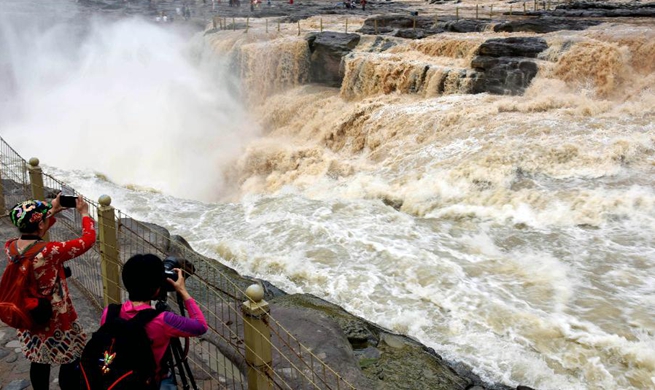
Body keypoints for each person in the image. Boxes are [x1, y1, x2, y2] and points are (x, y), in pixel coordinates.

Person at [5, 195, 96, 390]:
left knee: (39, 359)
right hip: (55, 317)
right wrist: (85, 214)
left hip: (29, 313)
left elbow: (35, 232)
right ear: (40, 225)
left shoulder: (11, 247)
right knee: (69, 357)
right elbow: (88, 240)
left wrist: (51, 211)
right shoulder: (50, 251)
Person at [100, 254, 208, 388]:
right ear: (158, 289)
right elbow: (201, 326)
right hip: (148, 382)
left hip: (114, 379)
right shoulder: (164, 320)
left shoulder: (109, 312)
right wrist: (182, 291)